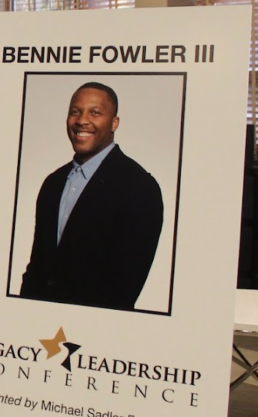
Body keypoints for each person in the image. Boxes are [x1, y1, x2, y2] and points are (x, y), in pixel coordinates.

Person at [19, 82, 164, 312]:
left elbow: (127, 283)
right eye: (75, 112)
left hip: (95, 330)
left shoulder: (139, 187)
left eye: (95, 112)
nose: (82, 120)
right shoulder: (53, 183)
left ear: (114, 123)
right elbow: (39, 264)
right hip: (39, 322)